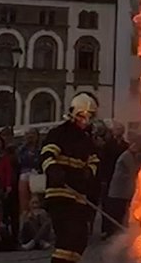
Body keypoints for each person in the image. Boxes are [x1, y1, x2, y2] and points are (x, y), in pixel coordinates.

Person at [40, 92, 100, 263]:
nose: (85, 121)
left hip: (78, 196)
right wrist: (54, 171)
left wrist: (89, 171)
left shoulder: (86, 139)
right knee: (67, 240)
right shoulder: (59, 133)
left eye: (89, 117)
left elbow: (95, 160)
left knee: (80, 240)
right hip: (60, 193)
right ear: (74, 113)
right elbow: (46, 156)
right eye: (82, 116)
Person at [103, 138, 141, 238]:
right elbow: (133, 171)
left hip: (123, 191)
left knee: (121, 213)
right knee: (116, 212)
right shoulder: (127, 156)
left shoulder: (130, 156)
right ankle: (111, 234)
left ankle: (116, 233)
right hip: (119, 191)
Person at [18, 129, 41, 216]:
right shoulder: (21, 150)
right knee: (24, 200)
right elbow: (19, 161)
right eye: (28, 134)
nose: (30, 136)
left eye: (33, 134)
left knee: (35, 198)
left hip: (36, 175)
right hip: (24, 175)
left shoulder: (40, 150)